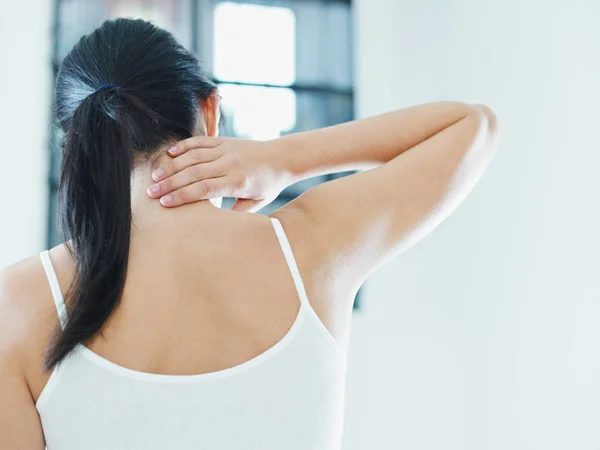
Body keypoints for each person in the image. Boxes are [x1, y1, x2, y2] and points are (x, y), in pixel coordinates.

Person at [0, 17, 499, 450]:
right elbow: (471, 126)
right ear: (209, 111)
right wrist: (282, 159)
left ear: (76, 144)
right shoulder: (310, 247)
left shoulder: (19, 303)